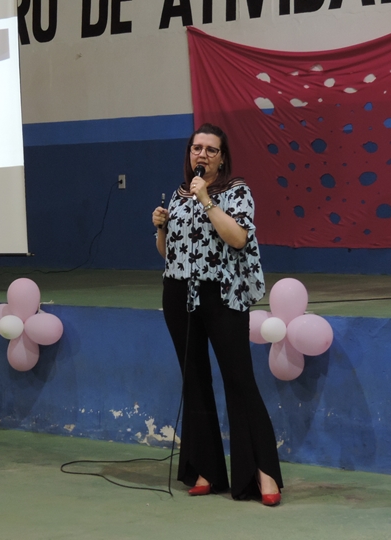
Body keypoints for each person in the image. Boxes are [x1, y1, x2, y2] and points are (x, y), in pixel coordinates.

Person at [151, 123, 283, 506]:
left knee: (239, 379)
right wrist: (161, 229)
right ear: (189, 153)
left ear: (222, 158)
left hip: (222, 295)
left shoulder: (236, 191)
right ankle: (205, 468)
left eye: (211, 149)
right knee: (194, 378)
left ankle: (262, 472)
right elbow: (169, 254)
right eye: (197, 148)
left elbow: (238, 239)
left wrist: (207, 200)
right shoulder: (179, 194)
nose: (203, 155)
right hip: (179, 294)